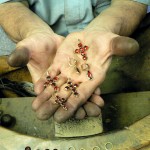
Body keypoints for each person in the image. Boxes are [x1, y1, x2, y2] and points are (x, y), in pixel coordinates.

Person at [0, 0, 149, 123]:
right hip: (38, 48)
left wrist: (104, 28)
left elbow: (131, 4)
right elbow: (8, 5)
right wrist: (33, 31)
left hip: (108, 42)